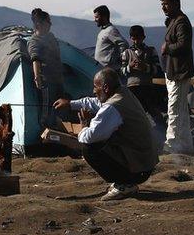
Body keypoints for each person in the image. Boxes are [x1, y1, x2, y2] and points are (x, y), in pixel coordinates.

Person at [54, 68, 158, 201]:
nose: (93, 91)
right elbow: (97, 102)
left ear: (105, 88)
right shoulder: (123, 93)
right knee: (103, 137)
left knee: (89, 147)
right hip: (146, 163)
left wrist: (84, 124)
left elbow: (89, 137)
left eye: (95, 87)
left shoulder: (112, 107)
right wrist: (70, 104)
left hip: (139, 170)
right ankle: (126, 181)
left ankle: (124, 184)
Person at [160, 0, 194, 155]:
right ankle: (187, 145)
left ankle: (172, 143)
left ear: (175, 3)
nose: (163, 7)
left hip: (179, 72)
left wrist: (168, 48)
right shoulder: (173, 21)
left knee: (174, 107)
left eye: (166, 4)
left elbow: (184, 45)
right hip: (173, 71)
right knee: (180, 109)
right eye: (162, 4)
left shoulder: (181, 22)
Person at [122, 25, 165, 125]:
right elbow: (121, 71)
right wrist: (130, 67)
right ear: (130, 38)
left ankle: (161, 131)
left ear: (143, 37)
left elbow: (157, 69)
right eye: (134, 39)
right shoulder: (126, 53)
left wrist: (145, 67)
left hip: (147, 88)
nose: (136, 41)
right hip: (132, 89)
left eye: (138, 38)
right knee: (134, 112)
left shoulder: (151, 51)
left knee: (153, 112)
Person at [28, 9, 64, 129]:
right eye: (48, 22)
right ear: (39, 24)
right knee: (46, 109)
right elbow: (35, 59)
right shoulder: (34, 41)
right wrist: (37, 78)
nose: (50, 24)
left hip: (57, 79)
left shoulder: (51, 37)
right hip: (46, 81)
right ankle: (45, 132)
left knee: (58, 107)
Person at [92, 5, 129, 71]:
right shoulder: (103, 31)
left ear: (104, 17)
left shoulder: (111, 30)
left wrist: (117, 59)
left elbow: (124, 44)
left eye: (97, 17)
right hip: (100, 69)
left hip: (108, 69)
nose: (95, 20)